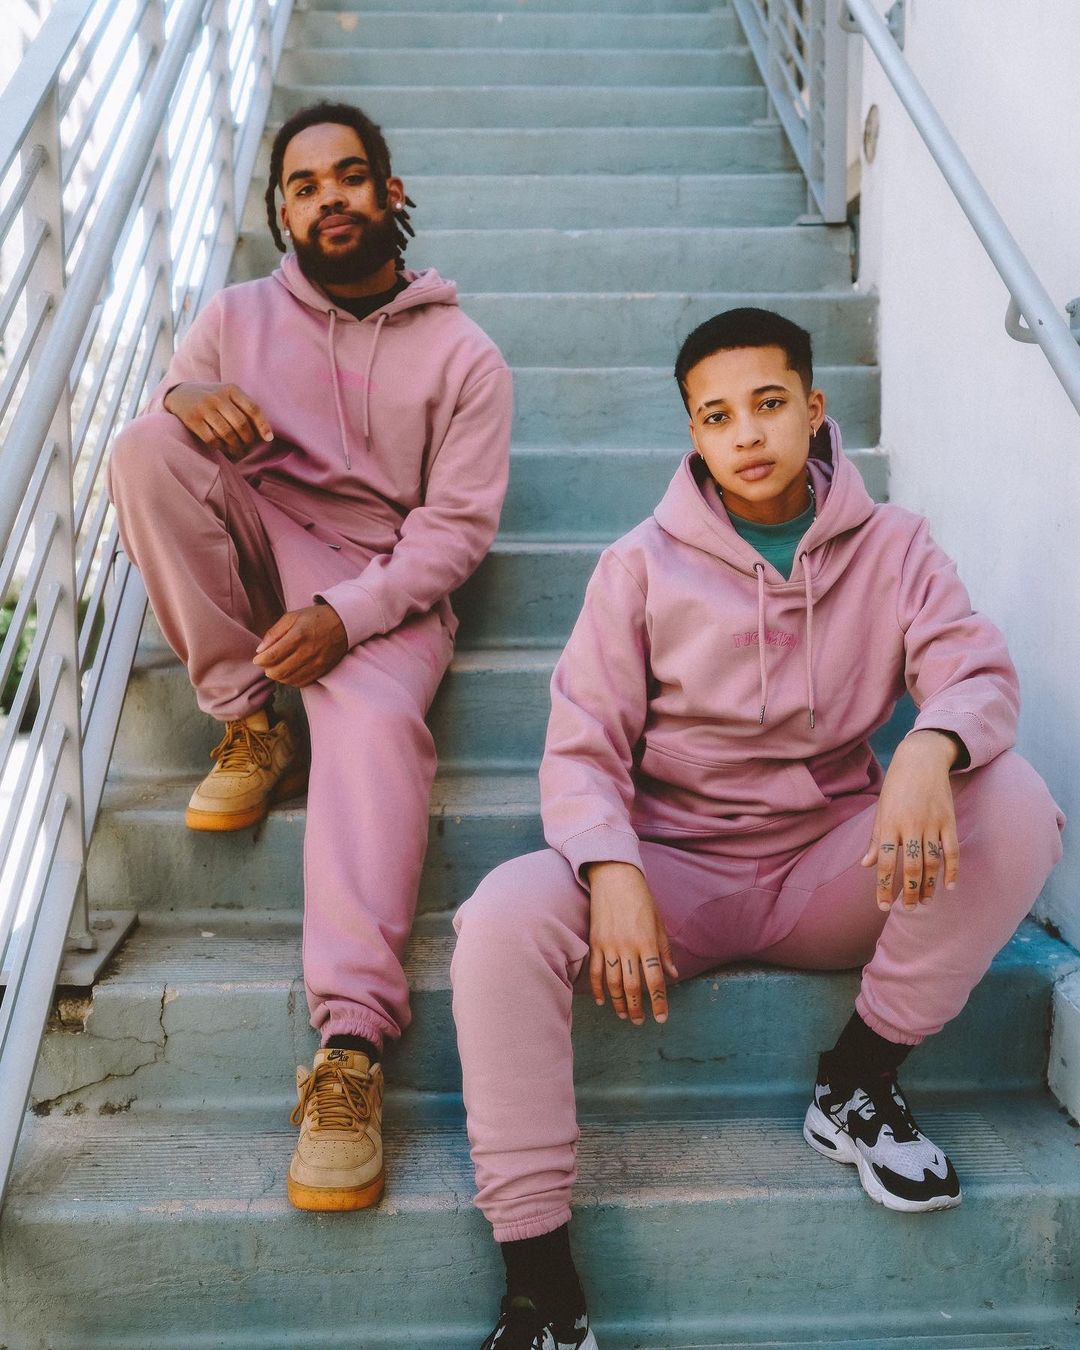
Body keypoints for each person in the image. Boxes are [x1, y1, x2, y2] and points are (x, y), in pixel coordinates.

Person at [450, 308, 1063, 1349]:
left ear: (814, 409)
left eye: (769, 404)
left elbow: (975, 673)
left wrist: (928, 748)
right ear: (693, 432)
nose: (746, 434)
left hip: (827, 871)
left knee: (1014, 802)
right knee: (503, 915)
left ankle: (859, 1078)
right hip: (670, 883)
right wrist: (611, 867)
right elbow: (581, 747)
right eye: (717, 415)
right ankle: (542, 1286)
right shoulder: (638, 567)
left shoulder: (896, 545)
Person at [108, 101, 512, 1212]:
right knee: (143, 449)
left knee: (375, 727)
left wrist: (349, 612)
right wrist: (178, 395)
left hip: (380, 581)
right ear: (281, 211)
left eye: (349, 176)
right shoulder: (235, 315)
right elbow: (174, 428)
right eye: (304, 184)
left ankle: (352, 1047)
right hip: (261, 544)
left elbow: (455, 533)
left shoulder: (466, 356)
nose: (328, 196)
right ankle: (248, 719)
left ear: (390, 192)